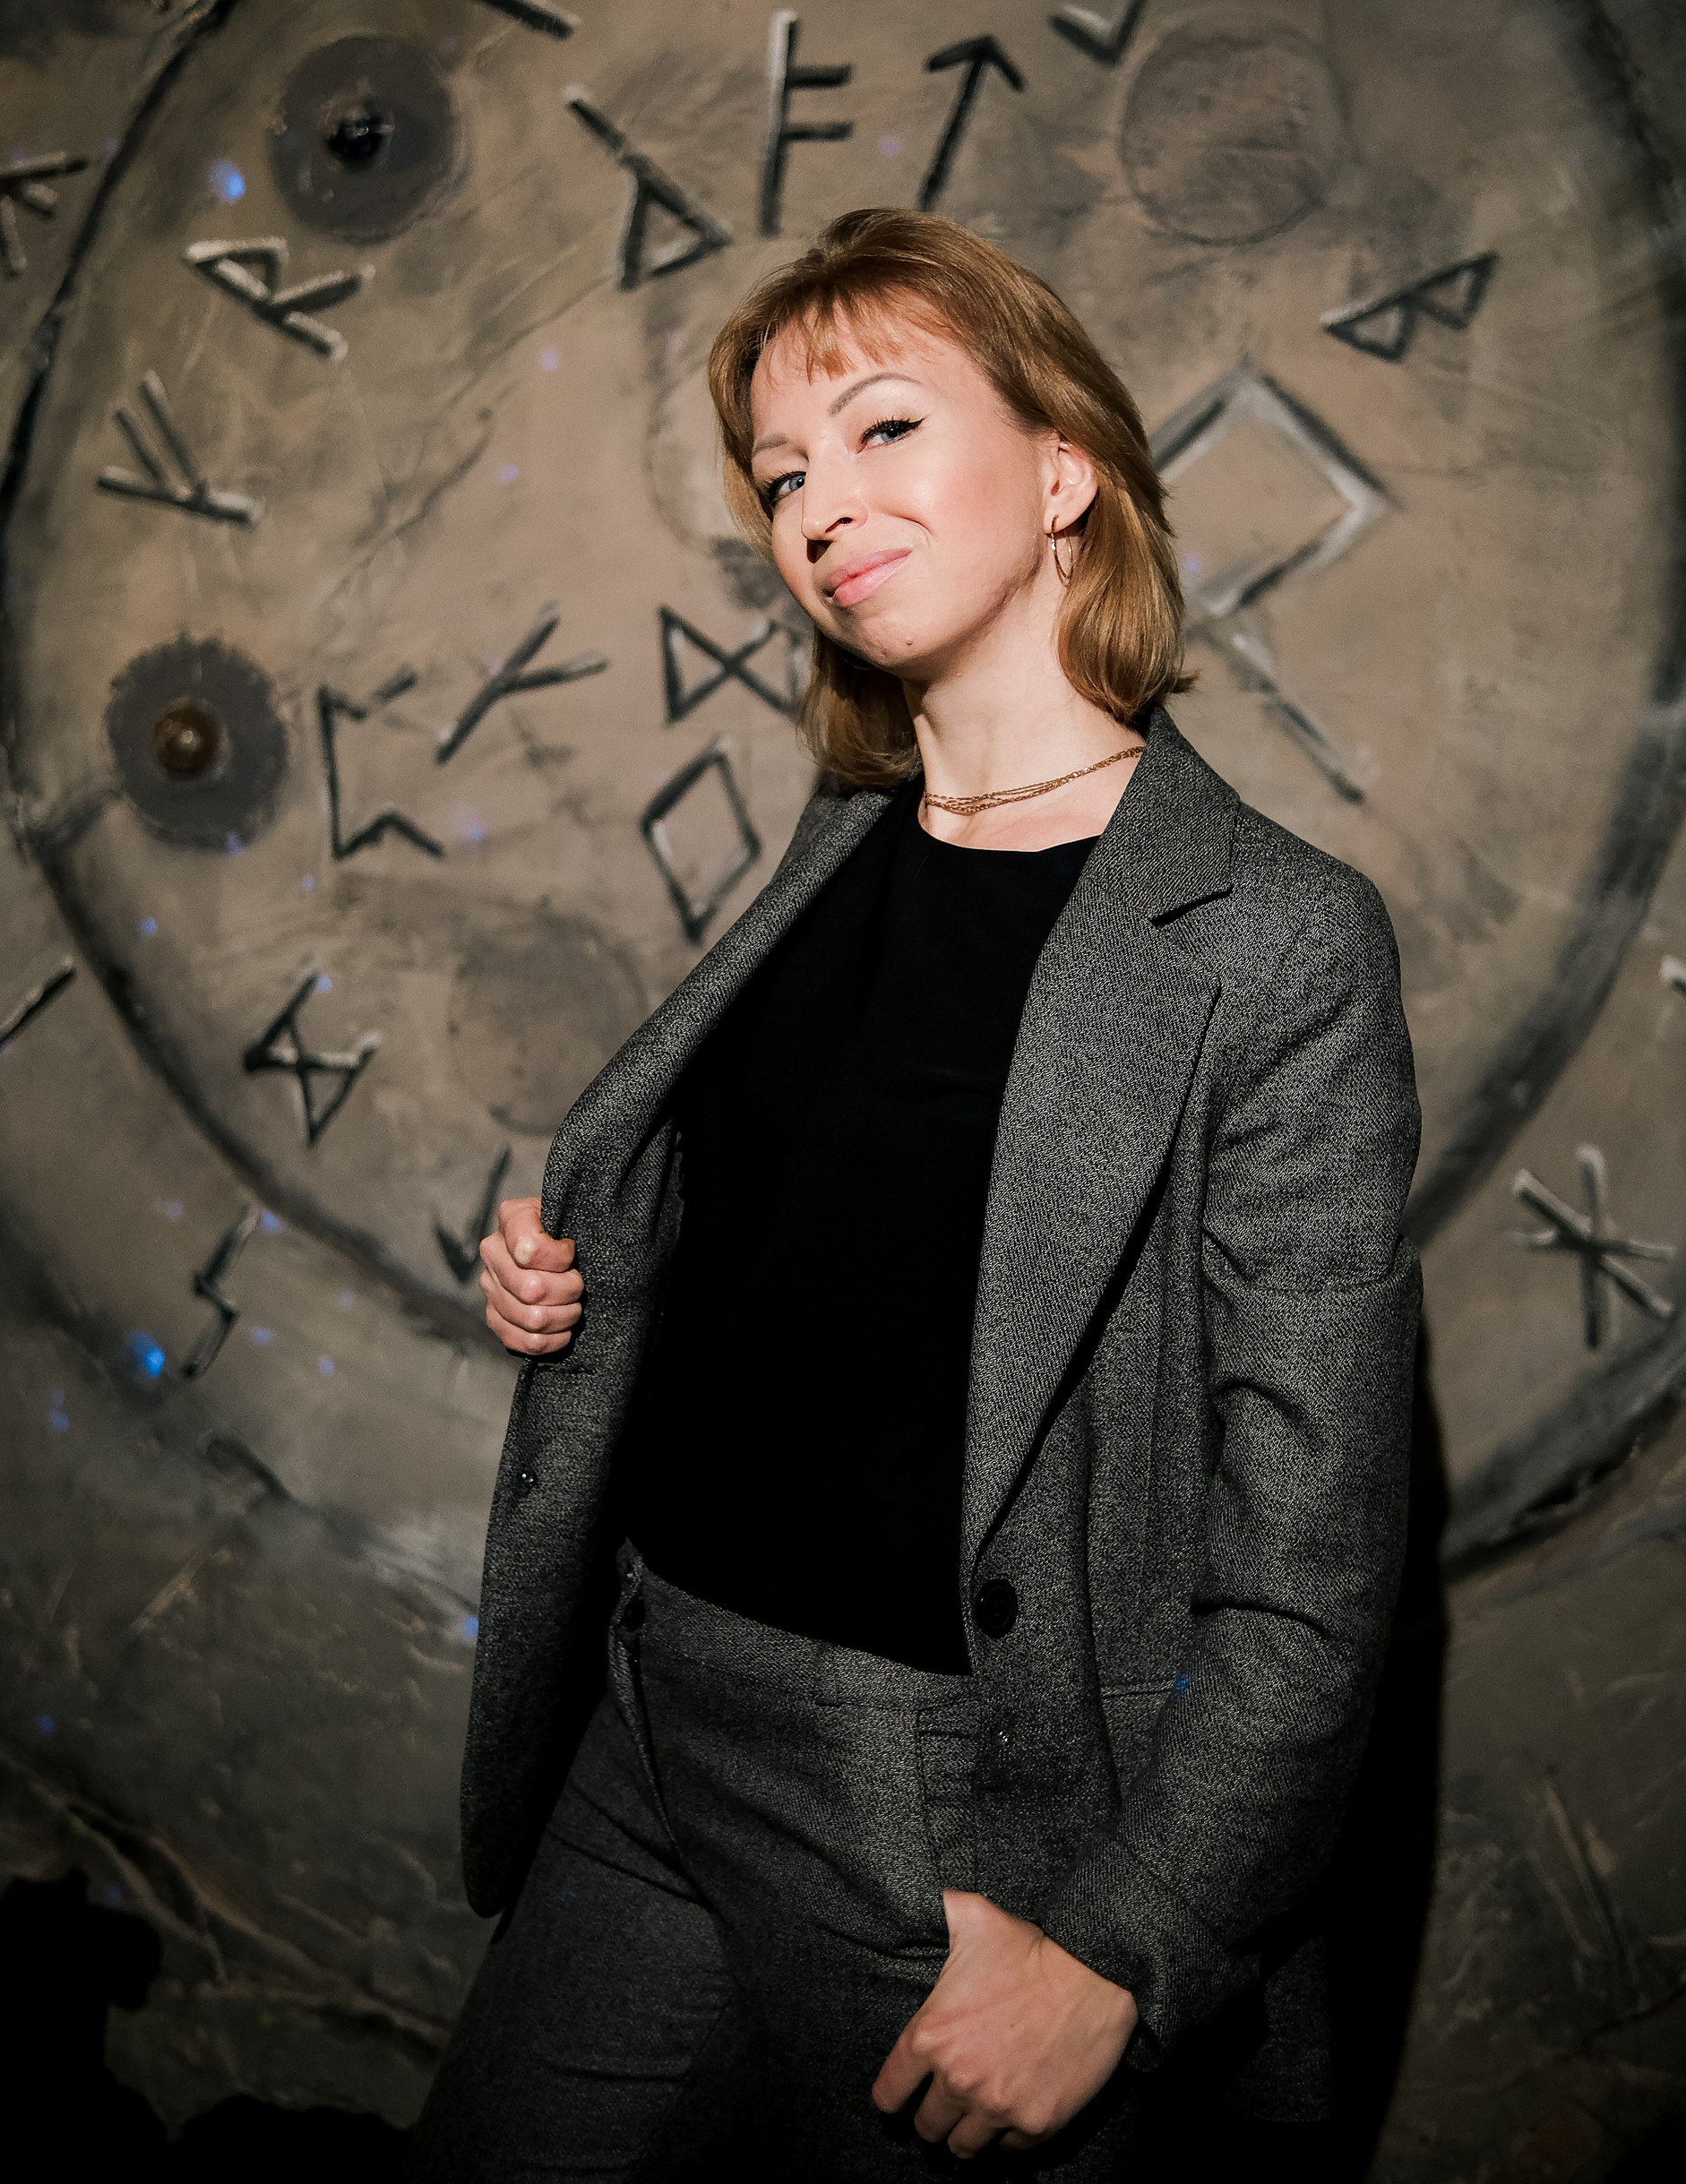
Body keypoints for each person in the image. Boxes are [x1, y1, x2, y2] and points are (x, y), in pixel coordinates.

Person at [407, 210, 1423, 2180]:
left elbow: (1314, 1552)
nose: (819, 506)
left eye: (881, 430)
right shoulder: (844, 840)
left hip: (941, 1805)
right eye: (784, 474)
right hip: (651, 1702)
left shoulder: (1278, 940)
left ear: (1063, 475)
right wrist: (585, 1286)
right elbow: (827, 1255)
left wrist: (1124, 1946)